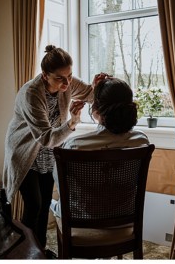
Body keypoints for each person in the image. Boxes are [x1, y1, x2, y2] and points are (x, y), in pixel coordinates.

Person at [2, 45, 104, 253]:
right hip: (25, 152)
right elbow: (47, 138)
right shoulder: (31, 94)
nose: (67, 83)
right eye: (60, 79)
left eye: (70, 76)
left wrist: (99, 87)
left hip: (48, 152)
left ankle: (39, 249)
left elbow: (91, 95)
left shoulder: (66, 82)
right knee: (34, 206)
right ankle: (26, 252)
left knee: (46, 200)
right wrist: (72, 122)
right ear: (45, 75)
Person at [50, 75, 149, 218]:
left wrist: (74, 120)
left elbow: (61, 186)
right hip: (123, 217)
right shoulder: (141, 141)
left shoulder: (74, 146)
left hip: (81, 220)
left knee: (50, 201)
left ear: (96, 108)